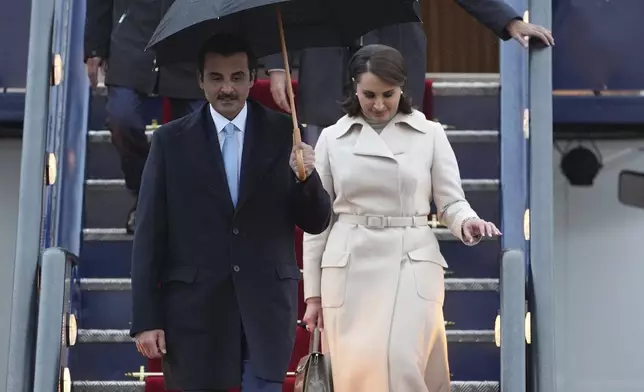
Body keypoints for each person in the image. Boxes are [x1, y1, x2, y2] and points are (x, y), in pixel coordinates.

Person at [129, 33, 332, 392]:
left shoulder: (283, 133)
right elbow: (149, 235)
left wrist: (306, 178)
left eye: (237, 77)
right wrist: (146, 319)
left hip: (265, 307)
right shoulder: (169, 142)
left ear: (253, 78)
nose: (227, 88)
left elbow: (316, 221)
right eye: (217, 78)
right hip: (195, 314)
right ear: (200, 81)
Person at [301, 44, 502, 392]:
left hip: (410, 259)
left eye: (388, 95)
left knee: (402, 361)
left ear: (403, 89)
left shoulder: (430, 134)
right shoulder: (332, 139)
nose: (379, 105)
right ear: (354, 88)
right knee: (358, 373)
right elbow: (317, 221)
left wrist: (467, 221)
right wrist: (313, 296)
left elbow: (451, 201)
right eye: (369, 95)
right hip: (350, 265)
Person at [264, 0, 554, 147]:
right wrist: (277, 62)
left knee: (395, 176)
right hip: (327, 60)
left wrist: (510, 22)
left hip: (393, 51)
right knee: (325, 185)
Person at [84, 0, 206, 233]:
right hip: (131, 35)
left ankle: (178, 206)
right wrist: (94, 46)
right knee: (122, 117)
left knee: (196, 133)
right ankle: (145, 194)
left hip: (188, 35)